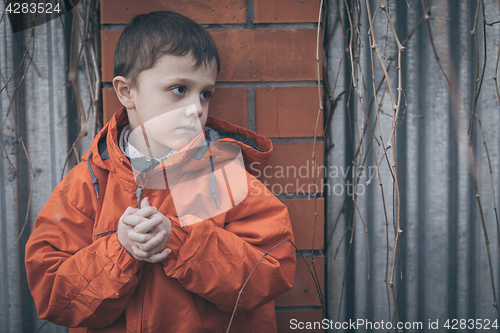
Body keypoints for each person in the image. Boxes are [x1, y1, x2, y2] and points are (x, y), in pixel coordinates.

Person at [25, 10, 296, 333]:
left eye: (205, 93)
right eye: (179, 89)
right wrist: (120, 250)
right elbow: (54, 295)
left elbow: (272, 272)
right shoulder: (89, 184)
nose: (197, 107)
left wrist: (180, 241)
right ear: (127, 93)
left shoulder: (226, 178)